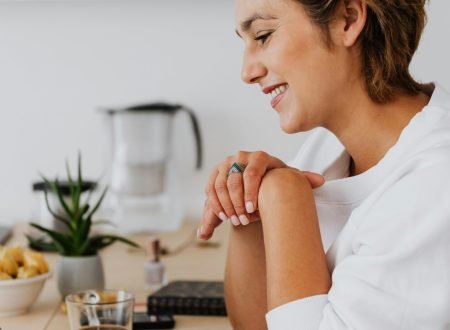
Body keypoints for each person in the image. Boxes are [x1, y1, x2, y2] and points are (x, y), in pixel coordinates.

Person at [198, 0, 450, 328]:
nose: (247, 72)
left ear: (348, 20)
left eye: (262, 36)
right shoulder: (330, 147)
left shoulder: (434, 186)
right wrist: (248, 206)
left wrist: (282, 194)